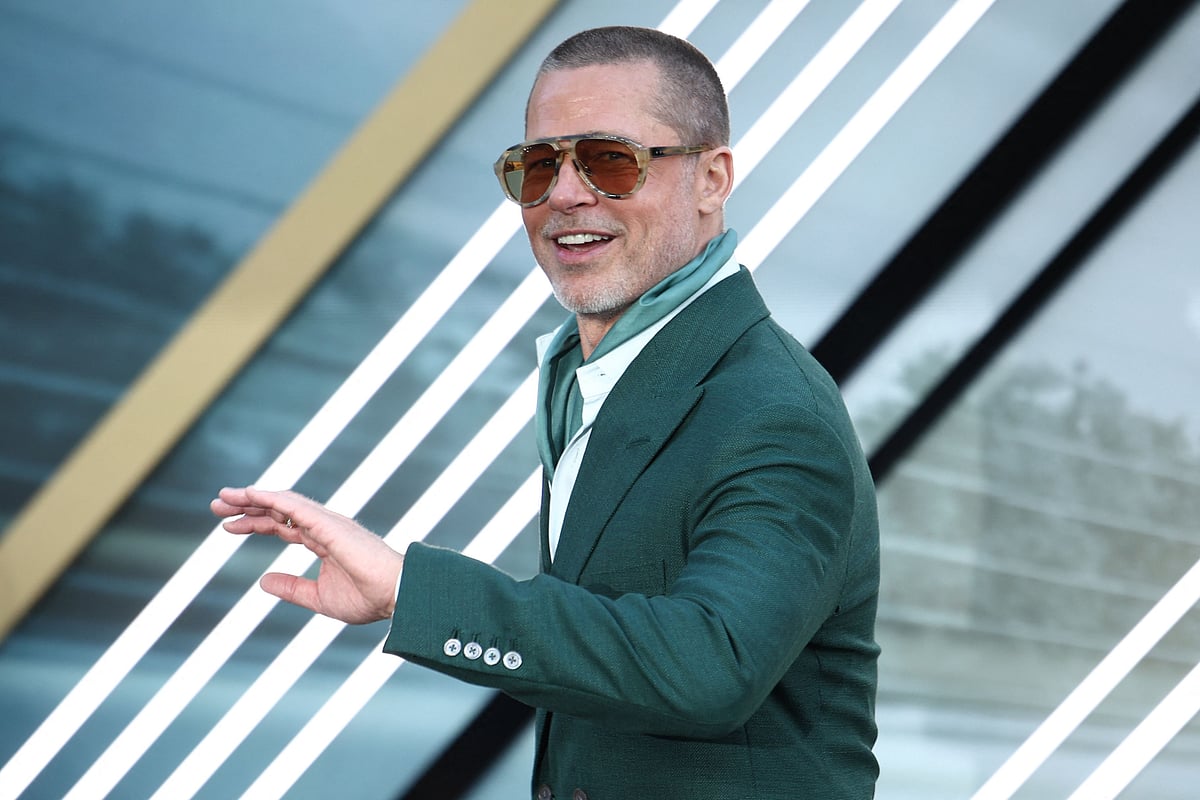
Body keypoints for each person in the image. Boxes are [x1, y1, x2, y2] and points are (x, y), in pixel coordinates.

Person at [214, 25, 880, 799]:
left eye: (610, 160)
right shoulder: (588, 375)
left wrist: (410, 590)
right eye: (537, 165)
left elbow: (710, 664)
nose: (564, 194)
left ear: (711, 178)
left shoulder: (772, 410)